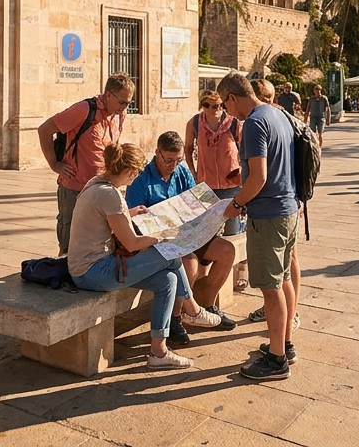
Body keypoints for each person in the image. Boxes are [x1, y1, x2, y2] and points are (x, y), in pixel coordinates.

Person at [67, 143, 223, 369]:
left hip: (89, 267)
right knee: (171, 254)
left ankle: (158, 353)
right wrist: (161, 236)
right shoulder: (110, 195)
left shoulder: (97, 184)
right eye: (137, 171)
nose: (138, 175)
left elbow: (104, 218)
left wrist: (129, 213)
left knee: (168, 281)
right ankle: (193, 309)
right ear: (129, 171)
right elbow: (132, 243)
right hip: (93, 271)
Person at [218, 72, 298, 381]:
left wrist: (236, 205)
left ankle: (276, 360)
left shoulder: (252, 123)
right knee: (284, 278)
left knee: (270, 286)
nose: (227, 112)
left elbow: (259, 176)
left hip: (267, 215)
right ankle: (284, 343)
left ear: (233, 98)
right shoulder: (276, 114)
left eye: (226, 105)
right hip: (287, 208)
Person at [126, 132, 238, 330]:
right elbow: (133, 222)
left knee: (227, 250)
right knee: (190, 262)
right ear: (157, 153)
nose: (173, 165)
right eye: (169, 160)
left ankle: (207, 305)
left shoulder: (182, 172)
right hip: (160, 242)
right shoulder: (141, 179)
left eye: (178, 160)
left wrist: (216, 212)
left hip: (189, 235)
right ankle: (176, 319)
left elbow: (197, 203)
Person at [38, 73, 133, 255]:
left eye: (128, 103)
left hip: (102, 189)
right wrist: (54, 165)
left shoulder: (119, 115)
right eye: (122, 102)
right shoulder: (83, 109)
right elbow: (44, 130)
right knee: (69, 242)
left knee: (96, 241)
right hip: (76, 186)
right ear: (108, 95)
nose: (124, 108)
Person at [185, 92, 244, 236]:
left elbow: (245, 149)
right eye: (207, 105)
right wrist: (193, 171)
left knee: (232, 228)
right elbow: (187, 148)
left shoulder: (234, 123)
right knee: (207, 228)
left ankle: (232, 254)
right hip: (206, 183)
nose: (212, 109)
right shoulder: (194, 123)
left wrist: (243, 171)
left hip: (231, 183)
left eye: (217, 105)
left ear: (222, 106)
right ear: (202, 106)